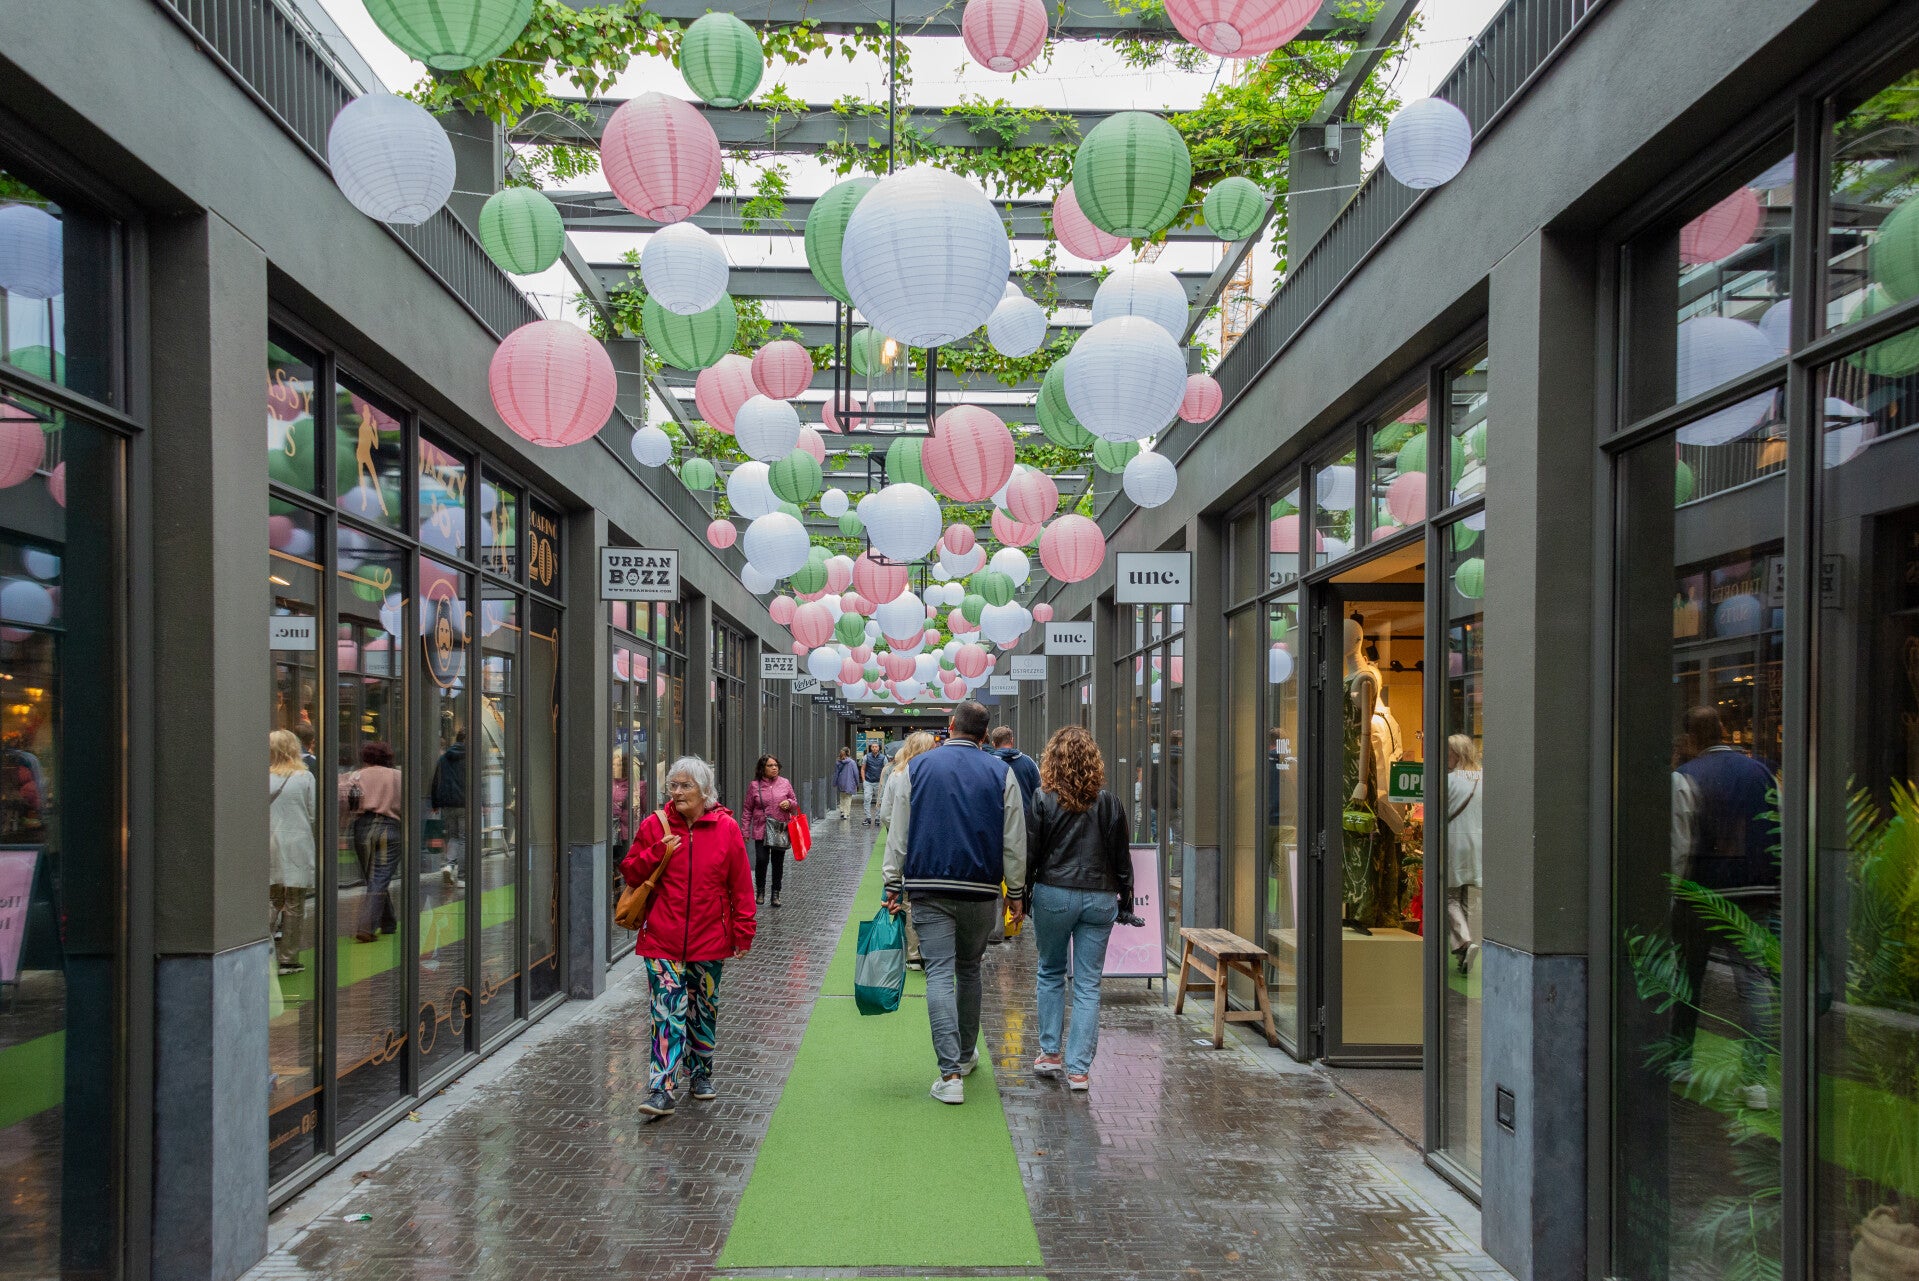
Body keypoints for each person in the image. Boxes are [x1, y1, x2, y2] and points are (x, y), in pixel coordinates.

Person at [882, 700, 1027, 1105]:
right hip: (980, 889)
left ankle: (949, 1076)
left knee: (939, 974)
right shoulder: (1001, 772)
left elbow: (899, 831)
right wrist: (1015, 892)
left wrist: (892, 882)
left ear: (950, 725)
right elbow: (1014, 838)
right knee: (969, 970)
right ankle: (964, 1055)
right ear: (985, 734)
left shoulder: (917, 768)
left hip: (928, 888)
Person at [620, 756, 755, 1120]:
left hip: (710, 937)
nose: (677, 792)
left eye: (685, 786)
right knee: (666, 1010)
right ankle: (662, 1087)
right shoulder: (655, 825)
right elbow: (630, 872)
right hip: (662, 938)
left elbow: (741, 885)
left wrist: (743, 931)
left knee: (703, 1008)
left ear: (705, 791)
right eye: (673, 786)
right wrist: (657, 852)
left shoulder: (726, 828)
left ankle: (700, 1073)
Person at [1670, 706, 1779, 1104]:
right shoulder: (1761, 772)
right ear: (1722, 730)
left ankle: (1681, 1062)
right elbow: (1777, 829)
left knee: (1688, 979)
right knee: (1753, 983)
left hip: (1701, 895)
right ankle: (1756, 1081)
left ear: (1690, 739)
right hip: (1755, 892)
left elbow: (1680, 847)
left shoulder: (1685, 776)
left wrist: (1673, 896)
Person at [1024, 725, 1131, 1092]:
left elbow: (1031, 851)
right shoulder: (1109, 803)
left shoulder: (1042, 799)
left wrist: (1021, 894)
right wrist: (1126, 898)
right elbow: (1121, 857)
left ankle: (1050, 1053)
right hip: (1100, 897)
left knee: (1050, 970)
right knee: (1088, 983)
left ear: (1052, 760)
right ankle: (1079, 1070)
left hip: (1053, 893)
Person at [879, 732, 939, 967]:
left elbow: (886, 814)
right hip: (930, 846)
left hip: (904, 843)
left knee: (908, 899)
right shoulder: (936, 774)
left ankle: (913, 952)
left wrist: (896, 829)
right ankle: (929, 948)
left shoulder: (897, 774)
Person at [268, 730, 317, 975]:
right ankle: (288, 958)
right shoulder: (305, 777)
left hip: (270, 843)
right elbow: (312, 813)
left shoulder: (263, 778)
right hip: (297, 843)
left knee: (272, 900)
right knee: (295, 903)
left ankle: (261, 951)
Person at [346, 741, 403, 943]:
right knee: (380, 877)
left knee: (374, 878)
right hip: (389, 827)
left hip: (362, 827)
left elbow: (348, 800)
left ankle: (388, 922)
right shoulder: (398, 776)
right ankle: (366, 926)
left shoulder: (356, 776)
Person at [1443, 734, 1484, 976]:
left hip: (1454, 842)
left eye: (1448, 753)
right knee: (1467, 896)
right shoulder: (1485, 778)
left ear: (1457, 754)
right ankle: (1463, 951)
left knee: (1449, 897)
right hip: (1478, 844)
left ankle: (1465, 942)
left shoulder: (1449, 781)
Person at [742, 753, 799, 907]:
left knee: (777, 863)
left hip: (780, 829)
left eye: (776, 765)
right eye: (770, 765)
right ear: (762, 768)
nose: (774, 768)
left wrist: (789, 803)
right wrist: (745, 830)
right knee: (761, 860)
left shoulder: (785, 783)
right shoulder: (754, 785)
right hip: (761, 829)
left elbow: (795, 802)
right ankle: (760, 891)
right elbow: (747, 809)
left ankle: (775, 893)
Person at [430, 729, 467, 890]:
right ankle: (462, 877)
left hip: (448, 804)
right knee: (464, 839)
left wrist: (435, 804)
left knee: (453, 836)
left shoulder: (444, 758)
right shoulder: (470, 758)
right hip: (465, 804)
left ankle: (449, 865)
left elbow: (435, 781)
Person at [987, 727, 1041, 821]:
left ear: (994, 744)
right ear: (1012, 741)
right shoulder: (1029, 762)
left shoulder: (988, 764)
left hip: (997, 821)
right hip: (1025, 821)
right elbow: (1039, 792)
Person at [861, 740, 886, 825]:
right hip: (868, 781)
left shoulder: (883, 758)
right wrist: (864, 780)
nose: (874, 748)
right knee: (867, 799)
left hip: (879, 782)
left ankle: (877, 818)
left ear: (879, 748)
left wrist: (883, 781)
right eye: (873, 747)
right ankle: (868, 817)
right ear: (870, 748)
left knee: (879, 800)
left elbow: (885, 770)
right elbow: (863, 769)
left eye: (876, 746)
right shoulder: (866, 757)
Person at [833, 747, 860, 821]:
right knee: (848, 798)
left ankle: (842, 811)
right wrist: (857, 783)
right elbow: (856, 773)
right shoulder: (852, 762)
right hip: (849, 783)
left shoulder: (838, 762)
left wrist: (834, 782)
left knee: (842, 797)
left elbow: (836, 773)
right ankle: (846, 813)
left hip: (841, 782)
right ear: (848, 753)